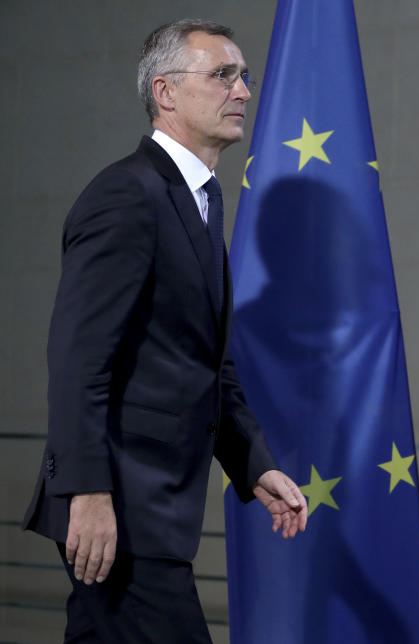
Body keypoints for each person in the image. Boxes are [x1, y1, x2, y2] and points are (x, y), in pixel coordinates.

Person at [21, 19, 308, 642]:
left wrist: (253, 464)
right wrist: (88, 493)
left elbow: (206, 362)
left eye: (244, 76)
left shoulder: (198, 201)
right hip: (120, 511)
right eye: (223, 75)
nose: (243, 91)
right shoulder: (128, 194)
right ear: (166, 92)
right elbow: (77, 358)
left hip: (155, 516)